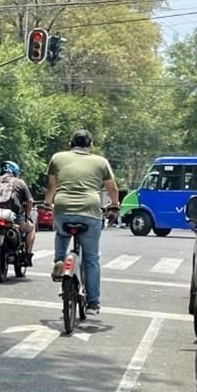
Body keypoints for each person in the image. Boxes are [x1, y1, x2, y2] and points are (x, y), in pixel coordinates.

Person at [44, 129, 120, 316]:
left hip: (62, 207)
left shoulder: (57, 158)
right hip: (90, 210)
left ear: (71, 143)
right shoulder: (100, 162)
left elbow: (52, 186)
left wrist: (47, 204)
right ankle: (93, 303)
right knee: (91, 259)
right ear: (90, 145)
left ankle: (60, 260)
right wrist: (114, 206)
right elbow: (113, 188)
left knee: (62, 233)